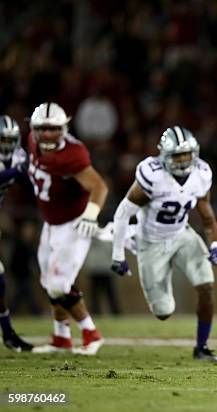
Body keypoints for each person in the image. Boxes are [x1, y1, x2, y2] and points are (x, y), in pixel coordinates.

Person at [111, 125, 217, 362]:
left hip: (181, 235)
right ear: (165, 156)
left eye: (187, 155)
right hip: (150, 242)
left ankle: (201, 348)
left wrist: (215, 245)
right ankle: (135, 240)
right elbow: (122, 213)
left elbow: (208, 219)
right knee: (164, 312)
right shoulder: (152, 175)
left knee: (207, 286)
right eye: (177, 156)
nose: (183, 161)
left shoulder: (201, 174)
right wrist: (118, 255)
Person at [26, 102, 107, 355]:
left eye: (53, 129)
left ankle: (91, 332)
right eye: (43, 129)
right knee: (48, 280)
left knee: (59, 284)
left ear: (64, 128)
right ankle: (61, 337)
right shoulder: (31, 141)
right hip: (50, 223)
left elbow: (99, 187)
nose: (48, 134)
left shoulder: (73, 153)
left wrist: (90, 216)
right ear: (34, 129)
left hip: (73, 224)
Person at [0, 114, 33, 352]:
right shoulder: (17, 162)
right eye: (2, 139)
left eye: (10, 139)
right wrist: (17, 172)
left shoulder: (20, 157)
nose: (7, 144)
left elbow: (31, 186)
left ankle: (8, 333)